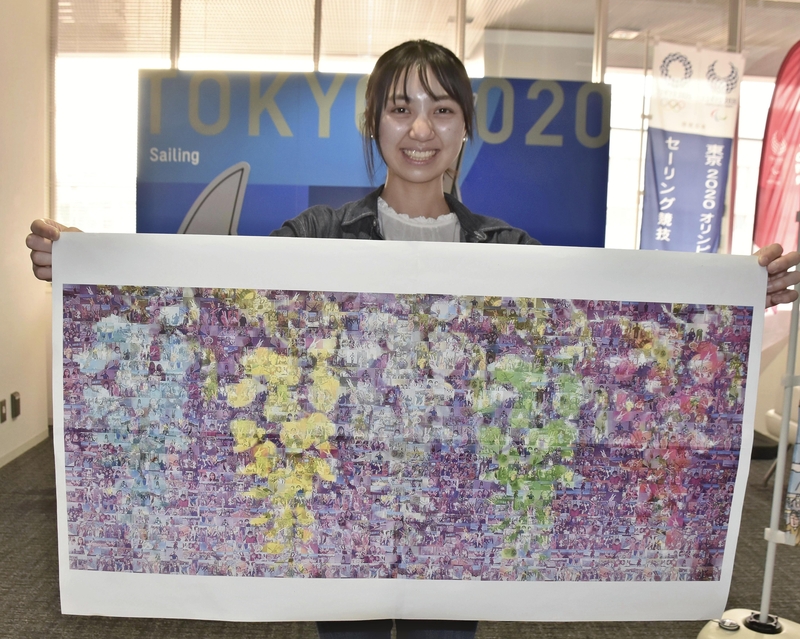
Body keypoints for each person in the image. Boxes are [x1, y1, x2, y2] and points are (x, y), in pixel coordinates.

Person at [25, 39, 800, 638]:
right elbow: (220, 315)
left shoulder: (510, 252)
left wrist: (734, 294)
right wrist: (92, 266)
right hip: (341, 511)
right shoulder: (316, 235)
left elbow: (604, 342)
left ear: (466, 129)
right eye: (400, 109)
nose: (420, 129)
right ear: (374, 123)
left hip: (455, 521)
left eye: (441, 110)